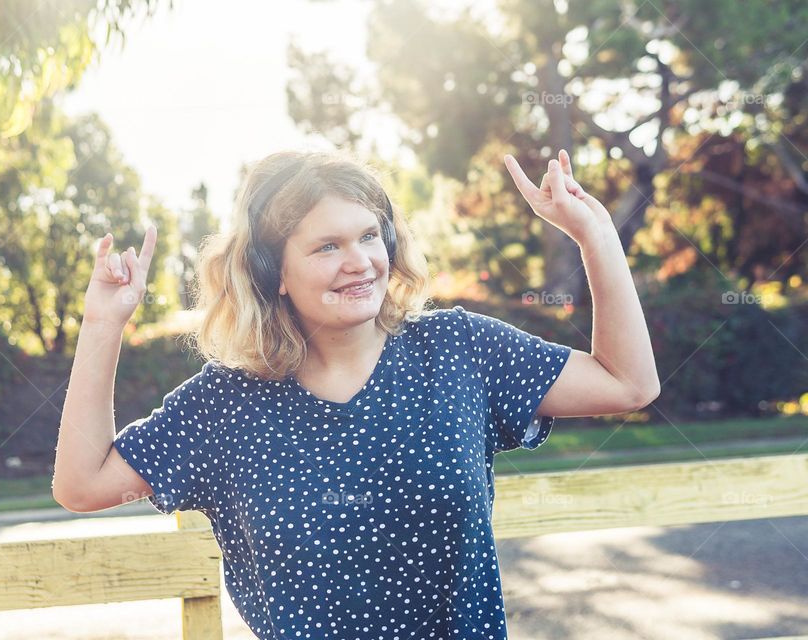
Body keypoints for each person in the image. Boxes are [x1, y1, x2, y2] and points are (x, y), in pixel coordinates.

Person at [52, 148, 660, 639]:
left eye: (370, 236)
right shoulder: (226, 404)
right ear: (273, 274)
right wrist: (104, 325)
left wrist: (595, 236)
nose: (361, 262)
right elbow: (81, 485)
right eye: (326, 246)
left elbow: (627, 382)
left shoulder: (457, 349)